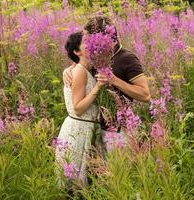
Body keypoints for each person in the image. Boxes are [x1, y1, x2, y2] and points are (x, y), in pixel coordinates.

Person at [63, 16, 151, 147]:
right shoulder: (98, 57)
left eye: (91, 40)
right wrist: (70, 68)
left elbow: (145, 95)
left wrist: (114, 80)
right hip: (99, 128)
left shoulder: (127, 58)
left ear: (105, 38)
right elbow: (82, 64)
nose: (89, 44)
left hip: (122, 130)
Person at [55, 31, 105, 186]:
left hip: (86, 127)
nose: (91, 43)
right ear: (77, 52)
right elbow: (77, 108)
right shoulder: (79, 71)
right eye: (86, 42)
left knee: (86, 183)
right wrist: (97, 87)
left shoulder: (84, 69)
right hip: (78, 129)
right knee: (76, 186)